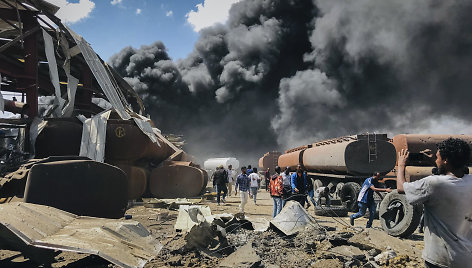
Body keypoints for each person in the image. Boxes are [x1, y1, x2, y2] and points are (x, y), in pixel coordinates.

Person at [396, 138, 472, 268]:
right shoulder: (469, 181)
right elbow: (452, 174)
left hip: (441, 259)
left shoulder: (433, 183)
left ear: (446, 160)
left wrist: (401, 164)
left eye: (437, 157)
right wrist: (435, 161)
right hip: (466, 258)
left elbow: (401, 188)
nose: (436, 160)